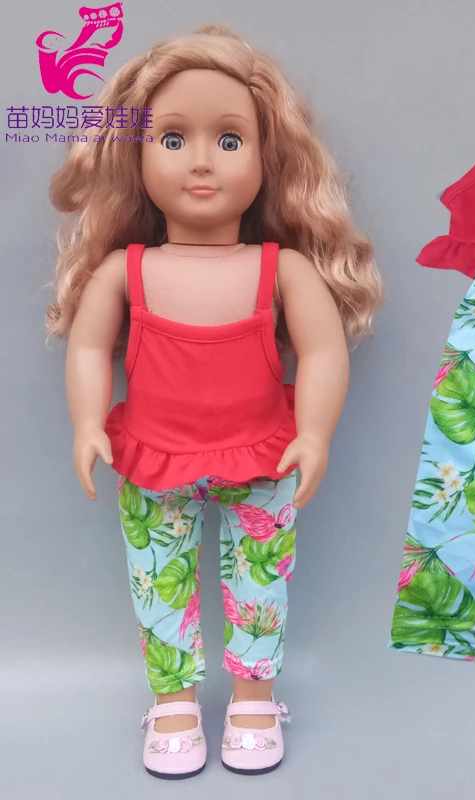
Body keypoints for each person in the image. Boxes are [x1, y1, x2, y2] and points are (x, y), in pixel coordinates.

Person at [45, 23, 384, 779]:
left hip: (263, 452)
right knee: (157, 577)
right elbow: (89, 348)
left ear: (267, 157)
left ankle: (254, 698)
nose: (201, 161)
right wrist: (87, 424)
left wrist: (315, 433)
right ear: (136, 156)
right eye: (173, 139)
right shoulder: (124, 271)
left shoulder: (282, 269)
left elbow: (324, 351)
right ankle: (172, 701)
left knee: (261, 577)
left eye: (230, 140)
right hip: (151, 454)